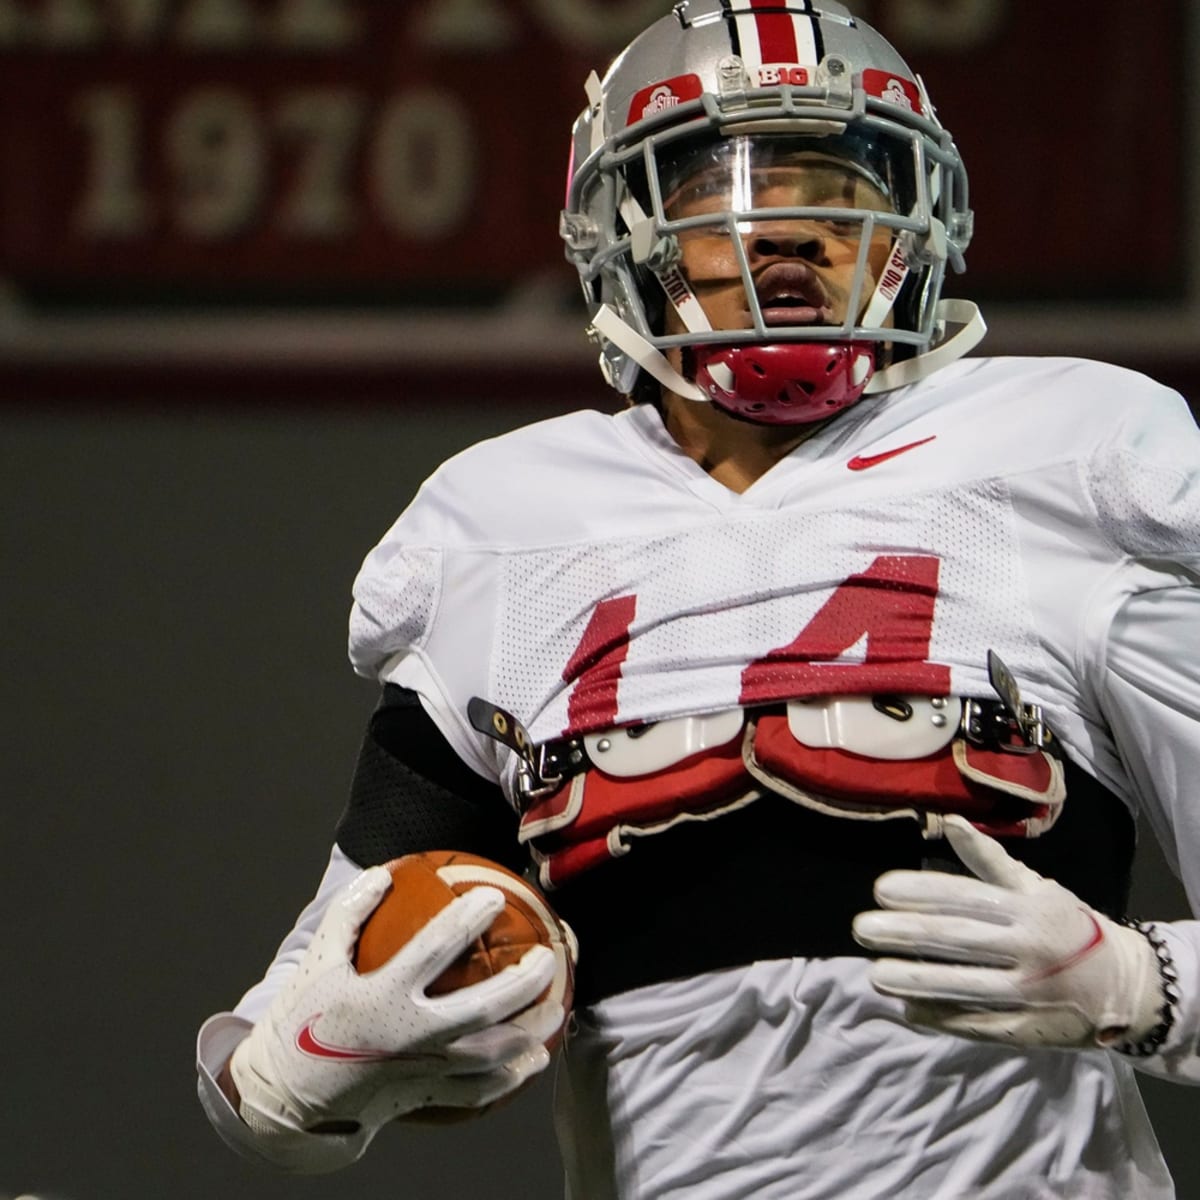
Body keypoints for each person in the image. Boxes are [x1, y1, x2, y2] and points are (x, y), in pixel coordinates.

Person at [196, 2, 1200, 1195]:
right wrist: (302, 1075)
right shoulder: (506, 527)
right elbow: (275, 1063)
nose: (795, 231)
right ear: (622, 234)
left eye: (841, 186)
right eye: (730, 186)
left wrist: (1142, 988)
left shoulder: (1072, 456)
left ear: (913, 227)